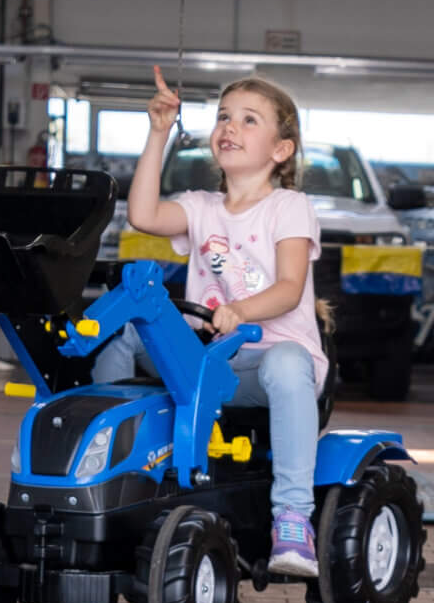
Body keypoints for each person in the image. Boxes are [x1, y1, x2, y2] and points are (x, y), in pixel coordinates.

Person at [98, 64, 323, 577]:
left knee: (288, 362)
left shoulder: (289, 207)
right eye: (224, 117)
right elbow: (143, 215)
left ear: (280, 150)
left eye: (249, 120)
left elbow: (289, 289)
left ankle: (292, 516)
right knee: (119, 335)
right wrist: (158, 132)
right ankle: (118, 473)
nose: (229, 127)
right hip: (205, 364)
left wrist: (241, 310)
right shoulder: (200, 207)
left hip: (267, 363)